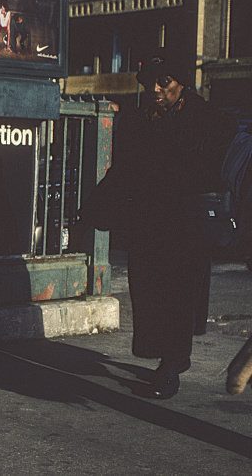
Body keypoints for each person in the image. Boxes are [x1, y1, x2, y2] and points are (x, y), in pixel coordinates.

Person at [75, 50, 236, 399]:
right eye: (151, 83)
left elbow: (227, 151)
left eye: (166, 82)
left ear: (183, 84)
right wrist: (89, 213)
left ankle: (172, 364)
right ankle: (169, 357)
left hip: (186, 226)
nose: (157, 89)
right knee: (148, 294)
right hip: (148, 224)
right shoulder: (137, 121)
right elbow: (121, 173)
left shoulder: (206, 119)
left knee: (178, 295)